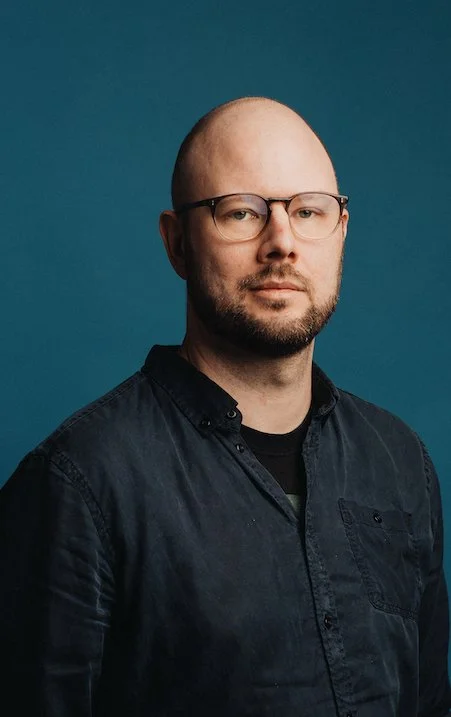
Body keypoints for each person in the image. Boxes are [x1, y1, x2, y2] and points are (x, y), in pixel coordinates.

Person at [0, 96, 449, 717]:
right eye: (241, 212)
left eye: (309, 211)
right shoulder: (79, 484)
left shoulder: (399, 461)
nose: (281, 242)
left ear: (341, 231)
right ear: (177, 244)